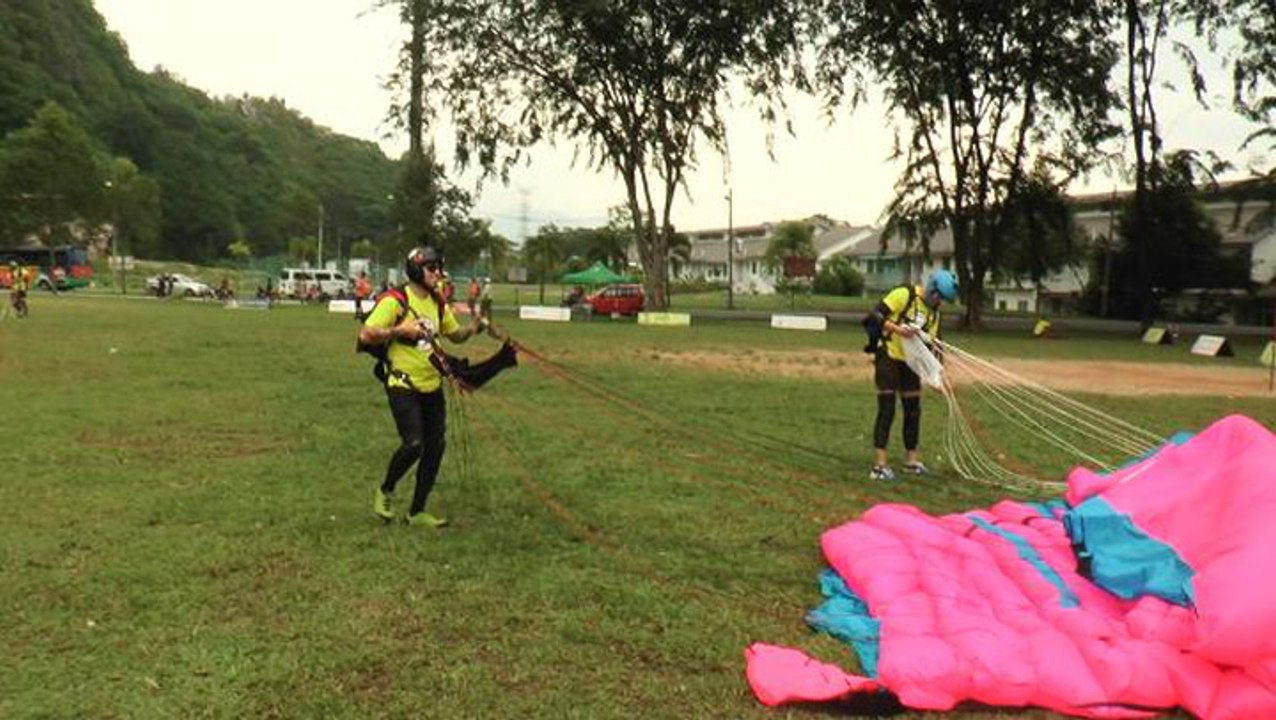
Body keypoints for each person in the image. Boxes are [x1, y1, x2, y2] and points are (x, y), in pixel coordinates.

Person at [358, 246, 485, 528]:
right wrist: (399, 331)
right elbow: (366, 334)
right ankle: (386, 490)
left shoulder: (438, 302)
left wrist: (474, 327)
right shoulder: (395, 300)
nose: (438, 274)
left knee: (435, 446)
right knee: (414, 443)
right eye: (432, 268)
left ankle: (416, 512)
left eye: (439, 268)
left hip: (432, 385)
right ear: (417, 269)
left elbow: (455, 335)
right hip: (402, 383)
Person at [865, 269, 958, 481]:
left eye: (943, 300)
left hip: (910, 364)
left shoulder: (934, 314)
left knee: (913, 410)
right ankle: (879, 465)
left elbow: (935, 347)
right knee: (887, 409)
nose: (940, 302)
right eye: (939, 297)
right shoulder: (904, 295)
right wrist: (898, 330)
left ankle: (911, 462)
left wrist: (939, 376)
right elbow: (875, 316)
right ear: (931, 289)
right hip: (888, 356)